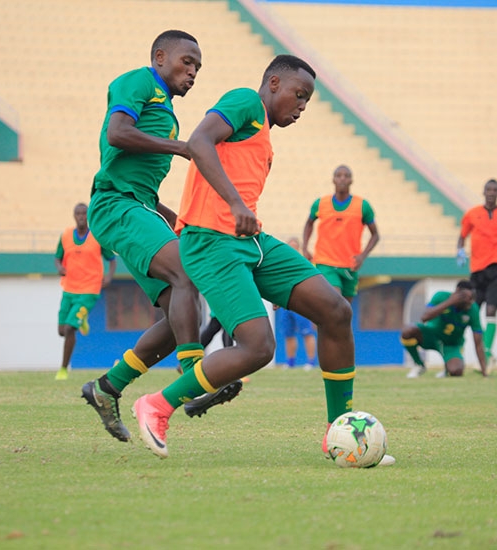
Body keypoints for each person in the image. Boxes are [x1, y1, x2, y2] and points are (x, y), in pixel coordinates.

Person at [129, 54, 394, 466]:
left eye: (308, 100)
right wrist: (235, 203)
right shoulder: (245, 103)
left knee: (335, 310)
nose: (302, 106)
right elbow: (199, 141)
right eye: (298, 95)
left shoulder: (262, 136)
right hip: (210, 242)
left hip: (250, 242)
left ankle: (339, 432)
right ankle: (156, 406)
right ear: (273, 83)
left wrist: (241, 213)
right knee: (258, 346)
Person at [81, 30, 240, 442]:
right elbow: (117, 133)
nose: (192, 72)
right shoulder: (139, 82)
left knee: (180, 317)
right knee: (186, 276)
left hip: (139, 206)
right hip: (116, 204)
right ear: (159, 56)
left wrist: (177, 217)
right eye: (187, 62)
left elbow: (146, 188)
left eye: (198, 68)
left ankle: (107, 388)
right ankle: (194, 379)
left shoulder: (167, 111)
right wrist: (182, 147)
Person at [456, 178, 497, 368]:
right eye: (489, 189)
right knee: (469, 311)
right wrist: (460, 250)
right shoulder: (472, 214)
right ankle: (457, 352)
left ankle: (486, 354)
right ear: (483, 192)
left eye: (495, 190)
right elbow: (462, 236)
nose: (492, 192)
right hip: (477, 270)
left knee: (491, 310)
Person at [54, 202, 117, 381]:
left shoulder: (97, 236)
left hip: (89, 289)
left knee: (69, 328)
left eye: (84, 213)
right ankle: (82, 319)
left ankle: (63, 369)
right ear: (74, 216)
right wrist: (59, 267)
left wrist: (109, 276)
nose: (81, 216)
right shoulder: (66, 236)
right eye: (78, 214)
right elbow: (57, 258)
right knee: (61, 330)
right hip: (69, 288)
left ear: (88, 216)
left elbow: (112, 259)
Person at [302, 165, 379, 304]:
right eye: (339, 175)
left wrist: (363, 256)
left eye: (346, 176)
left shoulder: (362, 206)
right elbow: (309, 223)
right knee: (334, 301)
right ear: (333, 180)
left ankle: (325, 326)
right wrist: (305, 247)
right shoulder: (320, 204)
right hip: (325, 262)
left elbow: (375, 235)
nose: (342, 178)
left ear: (351, 181)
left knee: (345, 311)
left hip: (350, 265)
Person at [401, 280, 487, 378]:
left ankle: (447, 368)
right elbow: (424, 317)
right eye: (468, 298)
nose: (470, 302)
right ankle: (419, 365)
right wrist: (449, 302)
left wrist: (484, 371)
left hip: (451, 344)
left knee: (456, 371)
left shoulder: (473, 309)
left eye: (473, 298)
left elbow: (478, 342)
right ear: (457, 292)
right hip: (431, 336)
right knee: (407, 330)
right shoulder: (441, 296)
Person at [277, 237, 317, 369]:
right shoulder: (281, 264)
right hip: (285, 304)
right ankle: (290, 362)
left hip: (301, 303)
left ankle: (310, 362)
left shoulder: (304, 263)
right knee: (288, 334)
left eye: (294, 247)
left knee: (307, 333)